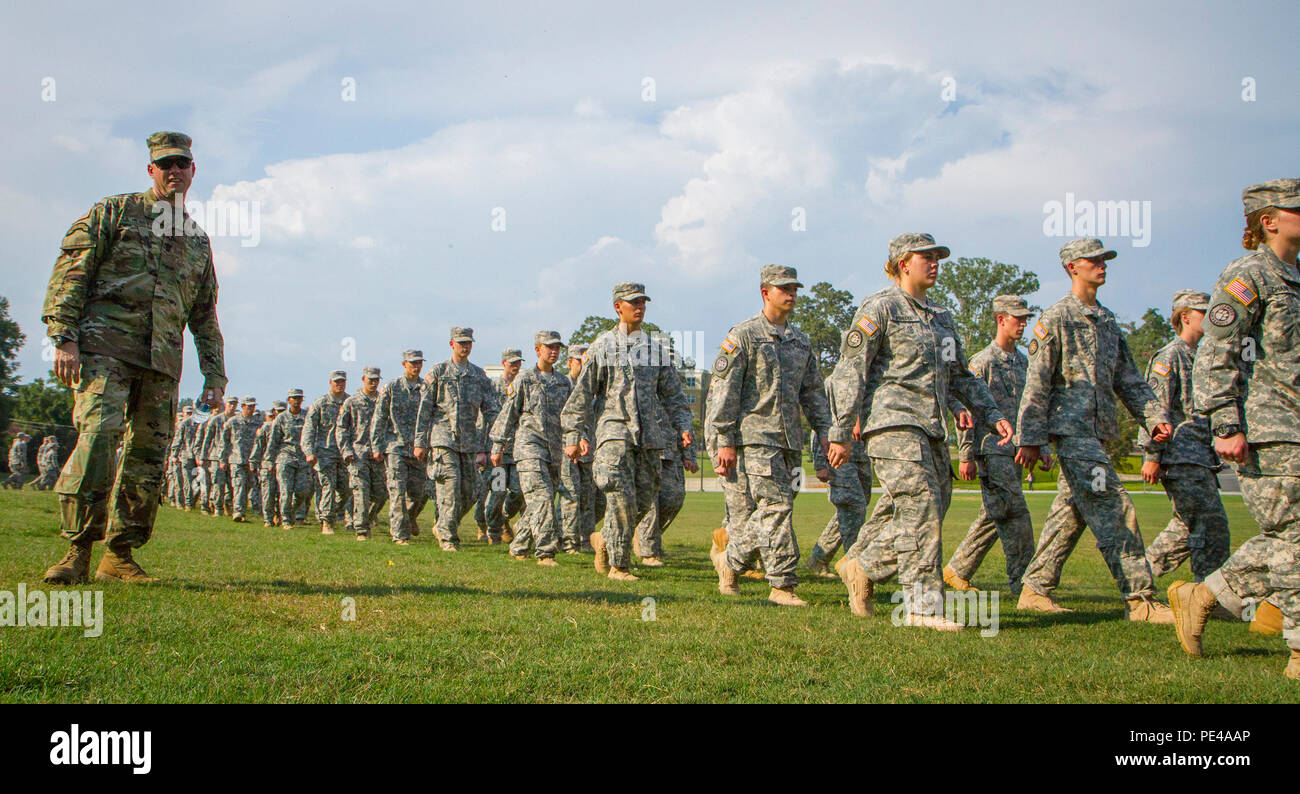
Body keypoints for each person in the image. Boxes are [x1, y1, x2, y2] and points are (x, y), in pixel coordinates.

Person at [42, 131, 226, 585]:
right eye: (166, 165)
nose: (175, 171)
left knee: (148, 460)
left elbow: (204, 314)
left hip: (161, 363)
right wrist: (63, 336)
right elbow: (72, 271)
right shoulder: (116, 212)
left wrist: (214, 375)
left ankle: (119, 555)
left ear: (193, 170)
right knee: (99, 439)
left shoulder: (198, 241)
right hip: (105, 349)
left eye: (182, 163)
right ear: (151, 171)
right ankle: (77, 551)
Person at [827, 234, 1011, 628]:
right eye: (925, 257)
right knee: (921, 505)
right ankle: (921, 608)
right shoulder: (880, 308)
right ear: (902, 263)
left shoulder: (941, 317)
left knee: (922, 508)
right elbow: (850, 371)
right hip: (892, 424)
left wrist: (990, 413)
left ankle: (862, 565)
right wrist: (841, 431)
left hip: (931, 428)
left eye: (937, 257)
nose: (934, 262)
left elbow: (959, 375)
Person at [1170, 178, 1300, 680]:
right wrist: (1224, 422)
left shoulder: (1295, 278)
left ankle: (1204, 595)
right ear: (1268, 220)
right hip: (1269, 429)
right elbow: (1216, 351)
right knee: (1292, 537)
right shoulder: (1248, 276)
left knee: (1287, 538)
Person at [1015, 237, 1174, 622]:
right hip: (1072, 434)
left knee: (1070, 514)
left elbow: (1130, 381)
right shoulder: (1055, 318)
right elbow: (1037, 384)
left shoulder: (1107, 321)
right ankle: (1140, 600)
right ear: (1072, 267)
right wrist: (1031, 439)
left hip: (1098, 433)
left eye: (1105, 259)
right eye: (1094, 260)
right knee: (1114, 505)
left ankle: (1035, 589)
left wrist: (1153, 416)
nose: (1102, 265)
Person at [706, 266, 831, 606]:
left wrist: (825, 434)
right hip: (754, 438)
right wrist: (725, 440)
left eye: (794, 288)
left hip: (790, 440)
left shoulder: (800, 342)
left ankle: (730, 562)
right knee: (775, 507)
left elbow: (814, 394)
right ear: (765, 292)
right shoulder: (744, 336)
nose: (791, 294)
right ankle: (782, 586)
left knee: (779, 509)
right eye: (783, 288)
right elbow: (724, 393)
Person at [563, 283, 693, 582]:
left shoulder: (654, 350)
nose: (640, 307)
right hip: (614, 434)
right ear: (617, 307)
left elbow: (673, 395)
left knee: (642, 502)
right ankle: (619, 567)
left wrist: (683, 427)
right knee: (620, 499)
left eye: (643, 302)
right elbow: (582, 395)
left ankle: (605, 541)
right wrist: (573, 435)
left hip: (648, 438)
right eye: (633, 302)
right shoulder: (602, 347)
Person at [943, 294, 1043, 595]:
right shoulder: (982, 362)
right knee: (1016, 513)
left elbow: (1031, 408)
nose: (1023, 324)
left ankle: (957, 569)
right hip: (991, 449)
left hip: (1016, 451)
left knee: (994, 512)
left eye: (1026, 318)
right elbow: (966, 409)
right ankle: (1023, 583)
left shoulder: (1024, 362)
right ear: (1001, 319)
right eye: (1018, 318)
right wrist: (966, 454)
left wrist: (1042, 446)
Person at [1137, 290, 1231, 584]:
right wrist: (1152, 456)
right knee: (1202, 525)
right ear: (1185, 316)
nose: (1211, 316)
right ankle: (1206, 591)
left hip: (1200, 456)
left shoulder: (1204, 357)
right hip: (1179, 455)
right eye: (1204, 311)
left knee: (1197, 526)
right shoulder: (1170, 356)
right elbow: (1154, 408)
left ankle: (1201, 590)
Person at [490, 331, 573, 565]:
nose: (554, 351)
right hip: (529, 446)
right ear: (538, 350)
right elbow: (509, 412)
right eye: (549, 347)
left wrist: (579, 438)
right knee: (542, 497)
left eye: (557, 347)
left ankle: (519, 546)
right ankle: (545, 552)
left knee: (539, 501)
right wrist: (497, 444)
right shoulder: (525, 379)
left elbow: (572, 415)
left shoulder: (563, 382)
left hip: (554, 451)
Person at [415, 328, 499, 551]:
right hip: (443, 438)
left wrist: (500, 434)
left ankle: (443, 524)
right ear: (452, 344)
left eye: (469, 342)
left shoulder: (479, 376)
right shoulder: (439, 372)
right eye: (461, 342)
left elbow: (490, 410)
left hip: (469, 441)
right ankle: (448, 538)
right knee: (450, 488)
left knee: (471, 491)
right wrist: (419, 442)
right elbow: (424, 409)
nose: (465, 346)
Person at [633, 339, 699, 567]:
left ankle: (645, 539)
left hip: (672, 452)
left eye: (671, 355)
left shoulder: (675, 387)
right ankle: (648, 551)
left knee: (673, 499)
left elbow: (684, 419)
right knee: (650, 503)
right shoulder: (642, 384)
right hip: (648, 450)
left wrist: (690, 454)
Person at [371, 350, 430, 545]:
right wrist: (376, 445)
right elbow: (379, 417)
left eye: (419, 363)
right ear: (404, 364)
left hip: (419, 448)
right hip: (395, 446)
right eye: (413, 363)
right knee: (397, 491)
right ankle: (399, 534)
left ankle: (409, 517)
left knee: (418, 493)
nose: (416, 366)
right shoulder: (391, 387)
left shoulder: (426, 388)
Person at [478, 348, 526, 544]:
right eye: (512, 362)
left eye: (518, 362)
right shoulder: (493, 387)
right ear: (503, 363)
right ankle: (493, 531)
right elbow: (485, 420)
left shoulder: (523, 386)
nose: (515, 366)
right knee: (497, 492)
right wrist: (482, 449)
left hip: (517, 451)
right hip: (497, 452)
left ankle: (504, 518)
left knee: (518, 491)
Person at [336, 366, 387, 541]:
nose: (373, 383)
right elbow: (342, 428)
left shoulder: (383, 401)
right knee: (361, 492)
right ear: (363, 379)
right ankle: (362, 529)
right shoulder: (352, 402)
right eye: (370, 379)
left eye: (376, 380)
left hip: (378, 454)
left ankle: (367, 517)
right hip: (358, 454)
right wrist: (346, 451)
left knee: (381, 494)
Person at [558, 342, 599, 553]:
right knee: (570, 495)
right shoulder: (562, 385)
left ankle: (586, 540)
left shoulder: (592, 386)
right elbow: (568, 417)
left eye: (585, 361)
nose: (582, 366)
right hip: (568, 449)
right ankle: (568, 541)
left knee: (588, 499)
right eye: (578, 362)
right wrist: (579, 437)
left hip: (589, 451)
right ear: (569, 362)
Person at [303, 371, 350, 535]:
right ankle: (327, 522)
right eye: (337, 381)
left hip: (345, 453)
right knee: (328, 486)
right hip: (325, 453)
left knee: (347, 489)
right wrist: (309, 451)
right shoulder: (320, 403)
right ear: (330, 383)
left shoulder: (349, 402)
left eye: (342, 381)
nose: (340, 384)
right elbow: (309, 429)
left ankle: (329, 512)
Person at [269, 389, 311, 528]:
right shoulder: (281, 418)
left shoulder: (307, 417)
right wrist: (270, 460)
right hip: (285, 457)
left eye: (299, 398)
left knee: (302, 491)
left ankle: (289, 512)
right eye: (294, 398)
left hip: (303, 458)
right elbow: (273, 440)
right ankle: (286, 520)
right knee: (286, 491)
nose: (297, 400)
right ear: (289, 400)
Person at [219, 396, 262, 522]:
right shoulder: (233, 422)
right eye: (249, 406)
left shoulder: (258, 422)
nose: (251, 409)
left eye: (253, 406)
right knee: (239, 485)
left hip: (252, 461)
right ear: (243, 407)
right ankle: (238, 512)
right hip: (237, 459)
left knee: (249, 485)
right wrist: (222, 459)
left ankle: (236, 505)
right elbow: (224, 441)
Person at [251, 402, 282, 527]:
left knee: (283, 493)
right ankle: (268, 519)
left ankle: (279, 515)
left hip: (283, 464)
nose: (280, 413)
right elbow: (258, 446)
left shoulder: (288, 426)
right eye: (278, 411)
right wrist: (254, 462)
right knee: (268, 493)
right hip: (267, 465)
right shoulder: (266, 428)